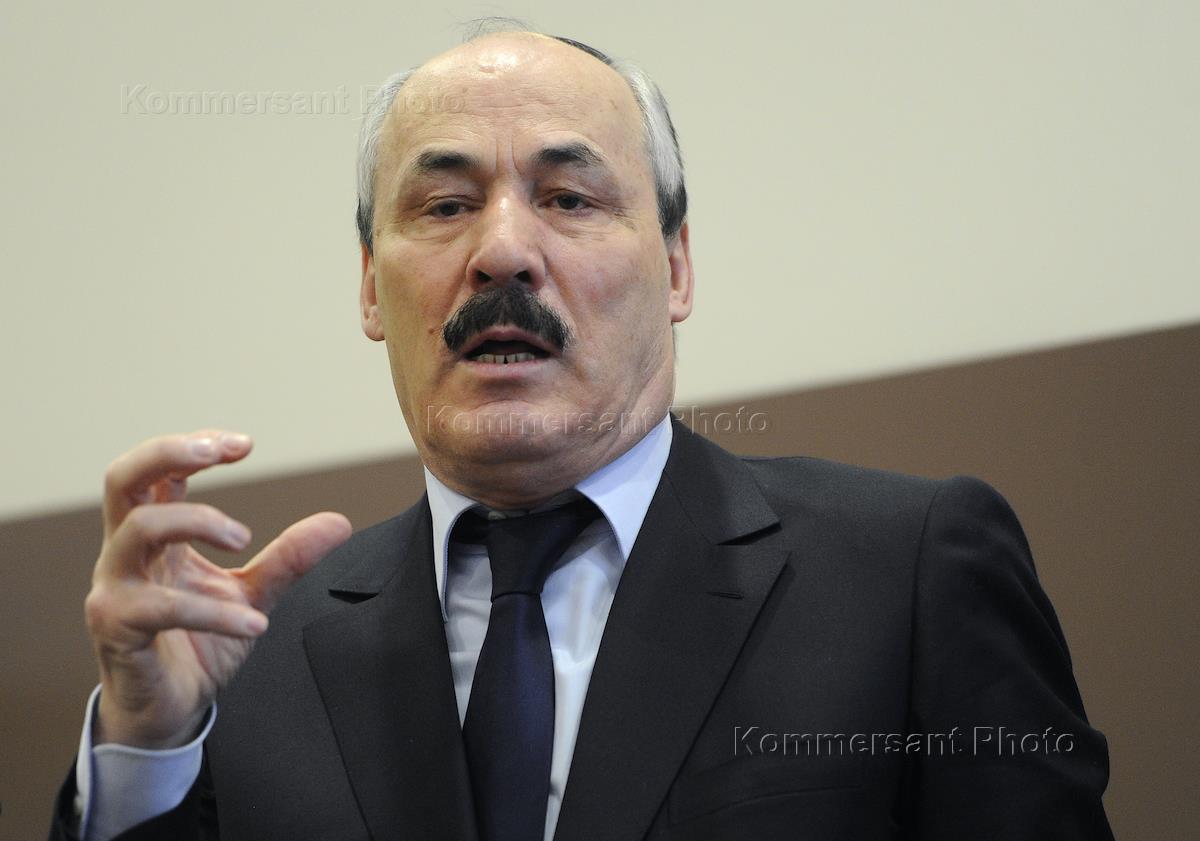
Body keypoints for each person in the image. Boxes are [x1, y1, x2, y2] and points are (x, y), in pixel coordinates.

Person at [50, 28, 1114, 841]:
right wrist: (147, 748)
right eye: (444, 206)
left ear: (678, 266)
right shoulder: (247, 653)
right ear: (370, 287)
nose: (503, 251)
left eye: (568, 198)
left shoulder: (905, 571)